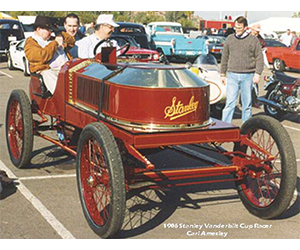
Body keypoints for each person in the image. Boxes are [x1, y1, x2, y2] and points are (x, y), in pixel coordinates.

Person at [220, 16, 264, 124]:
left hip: (248, 76)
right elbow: (224, 57)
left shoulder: (253, 40)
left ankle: (246, 128)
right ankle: (224, 127)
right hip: (232, 75)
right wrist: (222, 74)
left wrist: (257, 74)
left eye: (239, 28)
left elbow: (259, 57)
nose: (237, 30)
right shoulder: (230, 39)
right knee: (229, 103)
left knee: (247, 105)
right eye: (235, 27)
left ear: (245, 28)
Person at [24, 16, 75, 95]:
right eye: (49, 30)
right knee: (48, 73)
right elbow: (40, 57)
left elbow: (72, 42)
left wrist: (59, 33)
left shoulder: (52, 38)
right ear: (38, 29)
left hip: (66, 68)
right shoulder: (31, 42)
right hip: (50, 71)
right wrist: (55, 43)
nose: (51, 32)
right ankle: (61, 96)